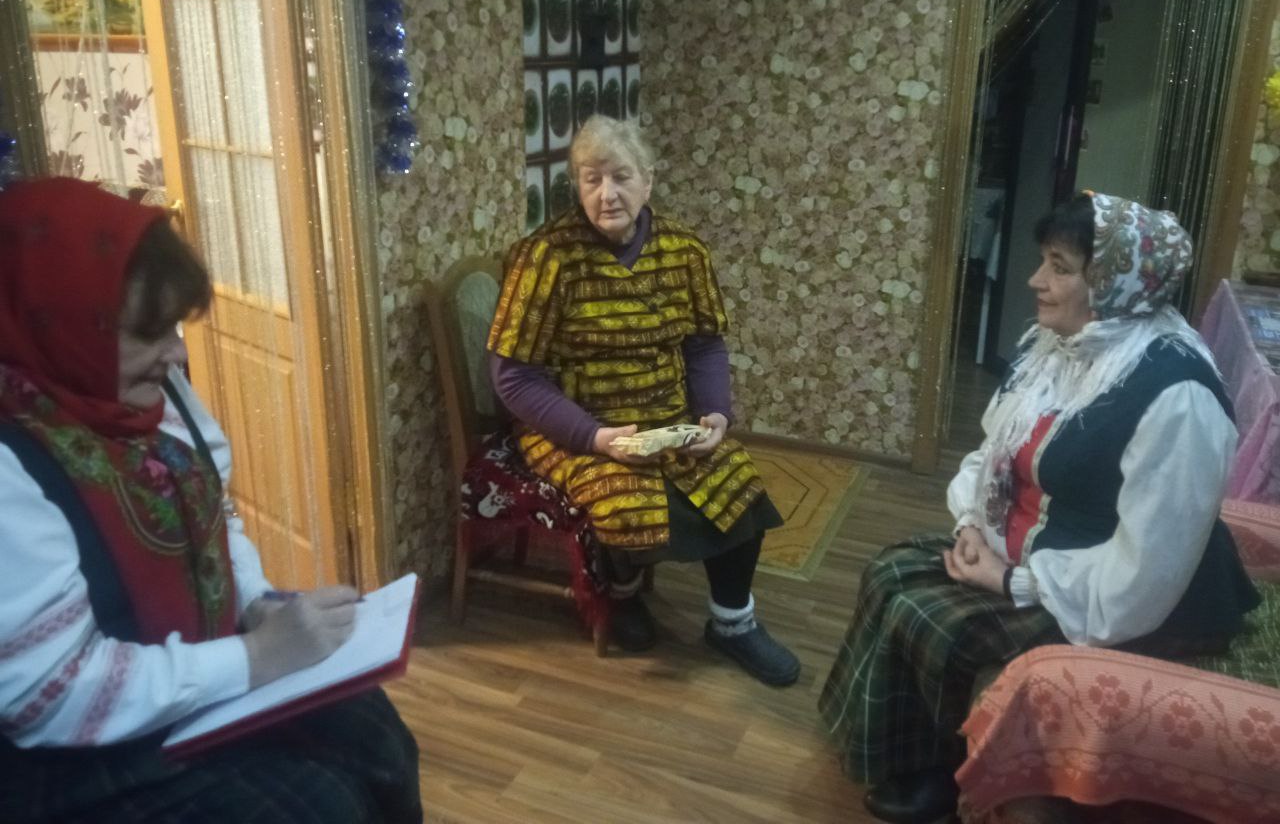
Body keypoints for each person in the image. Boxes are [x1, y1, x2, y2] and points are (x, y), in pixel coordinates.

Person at [819, 191, 1259, 824]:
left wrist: (1011, 581)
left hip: (1141, 600)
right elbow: (995, 450)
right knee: (891, 571)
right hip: (1042, 551)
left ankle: (948, 773)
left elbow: (1148, 571)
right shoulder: (1057, 344)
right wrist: (972, 522)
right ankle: (899, 752)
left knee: (931, 615)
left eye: (1060, 267)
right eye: (1044, 260)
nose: (1035, 280)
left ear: (1111, 284)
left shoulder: (1178, 395)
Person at [0, 177, 421, 824]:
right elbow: (51, 695)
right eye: (148, 332)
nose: (176, 353)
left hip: (201, 677)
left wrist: (258, 604)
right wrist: (255, 658)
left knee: (376, 737)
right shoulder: (13, 463)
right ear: (59, 325)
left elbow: (217, 516)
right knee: (319, 809)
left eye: (174, 326)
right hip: (80, 752)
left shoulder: (154, 396)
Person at [487, 115, 800, 686]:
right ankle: (623, 593)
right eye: (591, 179)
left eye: (621, 176)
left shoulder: (684, 251)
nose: (607, 194)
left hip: (666, 415)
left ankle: (733, 623)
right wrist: (594, 436)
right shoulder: (545, 257)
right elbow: (515, 377)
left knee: (736, 481)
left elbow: (705, 344)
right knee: (625, 499)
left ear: (648, 180)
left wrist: (715, 413)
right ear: (577, 186)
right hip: (576, 424)